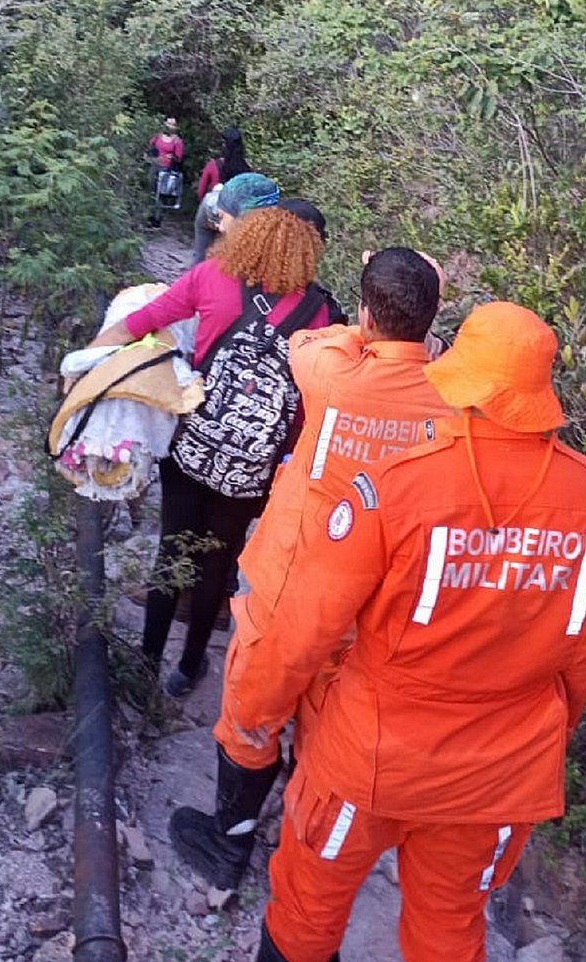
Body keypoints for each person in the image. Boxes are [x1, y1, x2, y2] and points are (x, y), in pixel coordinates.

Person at [210, 301, 586, 962]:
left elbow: (304, 631)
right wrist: (539, 740)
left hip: (372, 755)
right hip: (502, 770)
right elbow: (585, 658)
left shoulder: (395, 487)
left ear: (461, 378)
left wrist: (256, 717)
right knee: (449, 926)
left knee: (308, 905)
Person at [167, 248, 451, 891]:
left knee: (251, 712)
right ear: (432, 319)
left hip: (293, 587)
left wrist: (371, 321)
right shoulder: (450, 399)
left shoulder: (332, 370)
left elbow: (308, 337)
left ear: (369, 313)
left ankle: (228, 843)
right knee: (325, 724)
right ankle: (297, 842)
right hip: (371, 607)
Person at [90, 205, 332, 698]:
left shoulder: (212, 277)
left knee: (172, 550)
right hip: (252, 464)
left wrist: (88, 369)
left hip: (192, 443)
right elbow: (311, 399)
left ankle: (146, 663)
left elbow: (140, 324)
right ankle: (188, 669)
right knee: (217, 564)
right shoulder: (321, 312)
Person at [194, 128, 253, 264]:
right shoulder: (246, 170)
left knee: (200, 252)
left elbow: (200, 191)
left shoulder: (213, 165)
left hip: (210, 209)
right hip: (233, 215)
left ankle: (195, 279)